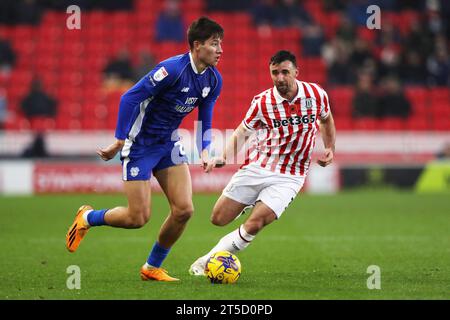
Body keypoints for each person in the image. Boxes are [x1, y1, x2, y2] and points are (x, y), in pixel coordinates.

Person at [65, 17, 224, 282]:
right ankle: (88, 217)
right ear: (197, 46)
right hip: (140, 144)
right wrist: (119, 139)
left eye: (221, 44)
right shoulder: (172, 69)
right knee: (137, 217)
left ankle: (151, 268)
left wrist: (205, 152)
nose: (220, 50)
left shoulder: (213, 79)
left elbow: (204, 120)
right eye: (214, 44)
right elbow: (130, 97)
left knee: (184, 210)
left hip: (168, 144)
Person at [188, 50, 336, 276]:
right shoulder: (262, 102)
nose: (280, 78)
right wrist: (224, 157)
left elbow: (326, 119)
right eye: (275, 73)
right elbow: (242, 132)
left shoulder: (316, 94)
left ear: (296, 72)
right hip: (259, 166)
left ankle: (207, 261)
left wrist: (329, 148)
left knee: (255, 224)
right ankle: (251, 201)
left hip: (290, 176)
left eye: (285, 72)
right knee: (218, 218)